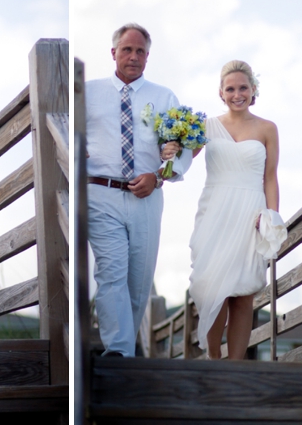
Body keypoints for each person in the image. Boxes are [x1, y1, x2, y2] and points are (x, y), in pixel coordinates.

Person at [86, 23, 192, 357]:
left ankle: (125, 351)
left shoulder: (164, 97)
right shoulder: (86, 93)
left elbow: (184, 148)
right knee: (111, 272)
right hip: (101, 194)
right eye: (127, 49)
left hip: (148, 197)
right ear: (113, 52)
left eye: (141, 51)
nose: (134, 56)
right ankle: (118, 355)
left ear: (148, 56)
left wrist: (160, 177)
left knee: (138, 284)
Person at [165, 60, 279, 360]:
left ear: (254, 90)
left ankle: (236, 366)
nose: (237, 94)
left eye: (243, 87)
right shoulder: (206, 126)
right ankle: (214, 360)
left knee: (243, 294)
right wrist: (170, 151)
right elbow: (181, 162)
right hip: (215, 212)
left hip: (249, 214)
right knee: (212, 287)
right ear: (221, 93)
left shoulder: (268, 128)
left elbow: (270, 177)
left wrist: (272, 216)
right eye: (231, 88)